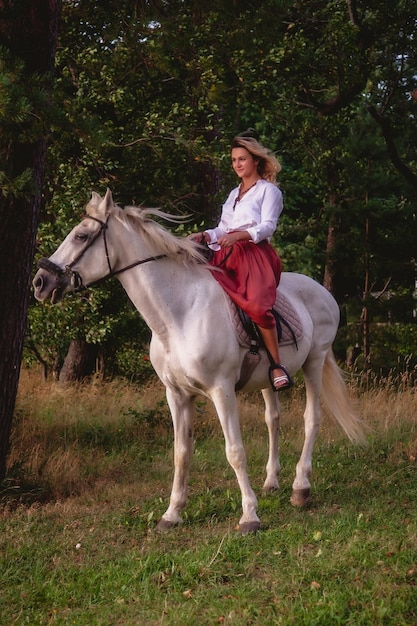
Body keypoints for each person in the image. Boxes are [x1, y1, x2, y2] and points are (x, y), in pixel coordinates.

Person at [191, 130, 293, 391]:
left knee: (258, 306)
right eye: (234, 160)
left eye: (242, 159)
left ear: (255, 161)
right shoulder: (233, 194)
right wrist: (206, 234)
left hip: (255, 255)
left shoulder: (268, 191)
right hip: (227, 251)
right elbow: (223, 228)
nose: (237, 164)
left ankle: (277, 365)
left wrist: (241, 236)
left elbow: (268, 226)